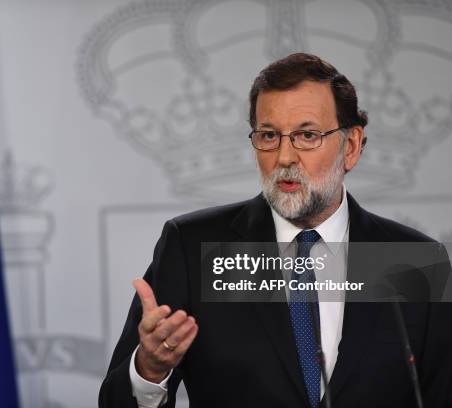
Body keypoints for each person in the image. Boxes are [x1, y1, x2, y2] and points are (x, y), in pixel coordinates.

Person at [99, 53, 452, 407]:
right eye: (269, 135)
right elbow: (115, 402)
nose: (284, 157)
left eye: (307, 135)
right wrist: (148, 370)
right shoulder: (196, 249)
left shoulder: (414, 260)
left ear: (352, 146)